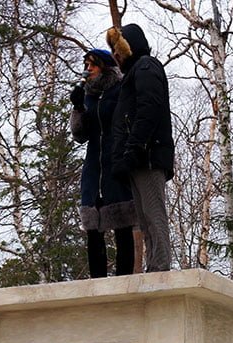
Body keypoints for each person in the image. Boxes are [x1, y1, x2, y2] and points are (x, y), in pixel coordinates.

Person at [106, 23, 174, 273]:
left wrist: (134, 148)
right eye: (113, 50)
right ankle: (154, 266)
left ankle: (161, 268)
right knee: (144, 219)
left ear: (129, 46)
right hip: (137, 157)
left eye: (118, 49)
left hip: (147, 155)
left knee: (154, 214)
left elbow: (149, 109)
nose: (115, 55)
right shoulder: (134, 73)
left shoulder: (146, 66)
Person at [69, 48, 137, 278]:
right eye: (86, 65)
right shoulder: (88, 95)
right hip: (93, 166)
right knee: (93, 225)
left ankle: (124, 280)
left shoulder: (119, 90)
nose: (88, 69)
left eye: (92, 64)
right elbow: (80, 135)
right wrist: (78, 108)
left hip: (115, 162)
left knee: (122, 224)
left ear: (104, 67)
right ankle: (97, 282)